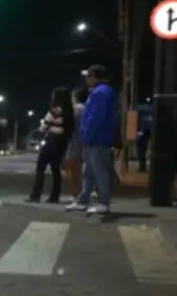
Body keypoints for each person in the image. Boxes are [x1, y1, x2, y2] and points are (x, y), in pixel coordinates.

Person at [66, 65, 116, 215]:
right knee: (89, 171)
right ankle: (83, 200)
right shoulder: (100, 92)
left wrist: (87, 136)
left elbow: (95, 118)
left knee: (100, 171)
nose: (86, 79)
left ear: (94, 76)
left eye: (88, 76)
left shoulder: (101, 93)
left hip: (97, 140)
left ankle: (104, 202)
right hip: (94, 139)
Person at [27, 87, 75, 203]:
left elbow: (45, 125)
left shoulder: (54, 110)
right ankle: (54, 196)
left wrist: (43, 126)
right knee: (56, 169)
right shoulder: (70, 111)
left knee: (41, 166)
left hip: (52, 140)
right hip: (62, 142)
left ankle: (36, 194)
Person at [64, 87, 88, 197]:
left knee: (74, 169)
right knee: (87, 169)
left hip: (74, 140)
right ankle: (85, 191)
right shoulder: (88, 108)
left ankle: (76, 193)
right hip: (87, 140)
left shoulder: (74, 109)